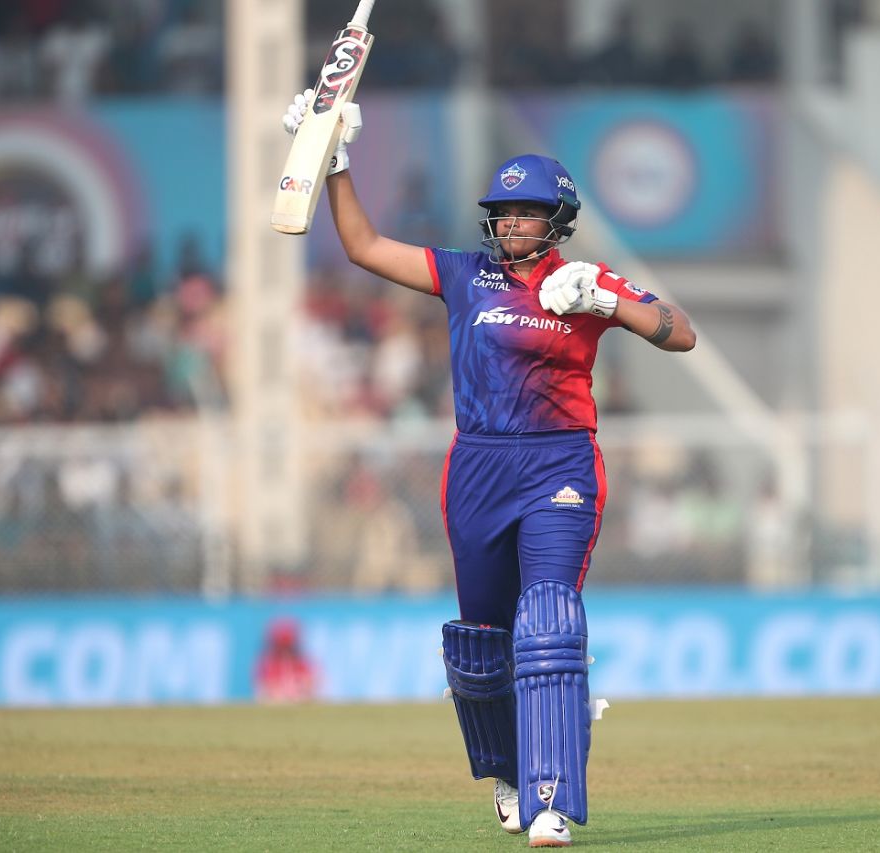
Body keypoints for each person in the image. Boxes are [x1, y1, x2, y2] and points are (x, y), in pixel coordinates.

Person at [282, 92, 696, 847]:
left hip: (559, 463)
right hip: (477, 466)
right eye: (502, 213)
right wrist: (333, 160)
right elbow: (364, 247)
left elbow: (681, 334)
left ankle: (550, 798)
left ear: (557, 220)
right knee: (480, 643)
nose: (510, 224)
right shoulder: (465, 274)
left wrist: (607, 301)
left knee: (549, 620)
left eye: (526, 213)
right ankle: (508, 770)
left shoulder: (587, 282)